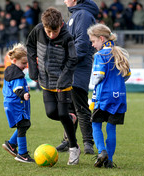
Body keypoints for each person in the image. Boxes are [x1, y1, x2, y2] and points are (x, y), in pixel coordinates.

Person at [26, 7, 80, 165]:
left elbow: (73, 60)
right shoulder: (37, 30)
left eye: (54, 32)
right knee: (50, 113)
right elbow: (30, 47)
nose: (51, 35)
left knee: (63, 114)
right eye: (48, 31)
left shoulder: (67, 37)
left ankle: (73, 147)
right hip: (45, 82)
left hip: (63, 84)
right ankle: (72, 118)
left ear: (61, 26)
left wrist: (63, 80)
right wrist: (33, 69)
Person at [56, 0, 99, 155]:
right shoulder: (76, 14)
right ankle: (68, 141)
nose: (64, 1)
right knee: (69, 107)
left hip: (78, 68)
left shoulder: (83, 15)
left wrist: (66, 60)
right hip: (71, 67)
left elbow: (81, 44)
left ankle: (88, 142)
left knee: (79, 105)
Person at [87, 23, 131, 168]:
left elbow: (98, 77)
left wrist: (92, 86)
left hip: (104, 96)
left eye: (93, 41)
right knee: (111, 128)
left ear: (101, 38)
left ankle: (101, 152)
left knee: (95, 124)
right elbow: (127, 75)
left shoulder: (100, 55)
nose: (93, 45)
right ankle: (109, 161)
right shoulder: (120, 53)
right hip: (119, 97)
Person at [2, 43, 35, 163]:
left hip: (11, 103)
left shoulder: (11, 70)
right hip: (16, 103)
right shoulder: (16, 74)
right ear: (15, 60)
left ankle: (11, 144)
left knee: (25, 124)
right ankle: (22, 154)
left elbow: (14, 86)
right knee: (23, 125)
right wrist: (23, 94)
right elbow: (17, 89)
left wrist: (25, 89)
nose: (25, 66)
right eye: (23, 63)